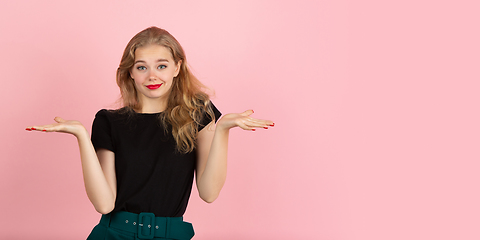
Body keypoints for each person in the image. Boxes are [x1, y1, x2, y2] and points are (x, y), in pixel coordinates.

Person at [25, 26, 274, 240]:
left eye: (162, 65)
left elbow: (209, 193)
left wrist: (223, 130)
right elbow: (104, 204)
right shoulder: (108, 121)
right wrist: (81, 135)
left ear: (177, 67)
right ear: (130, 73)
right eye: (141, 67)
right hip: (114, 234)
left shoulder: (199, 112)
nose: (152, 76)